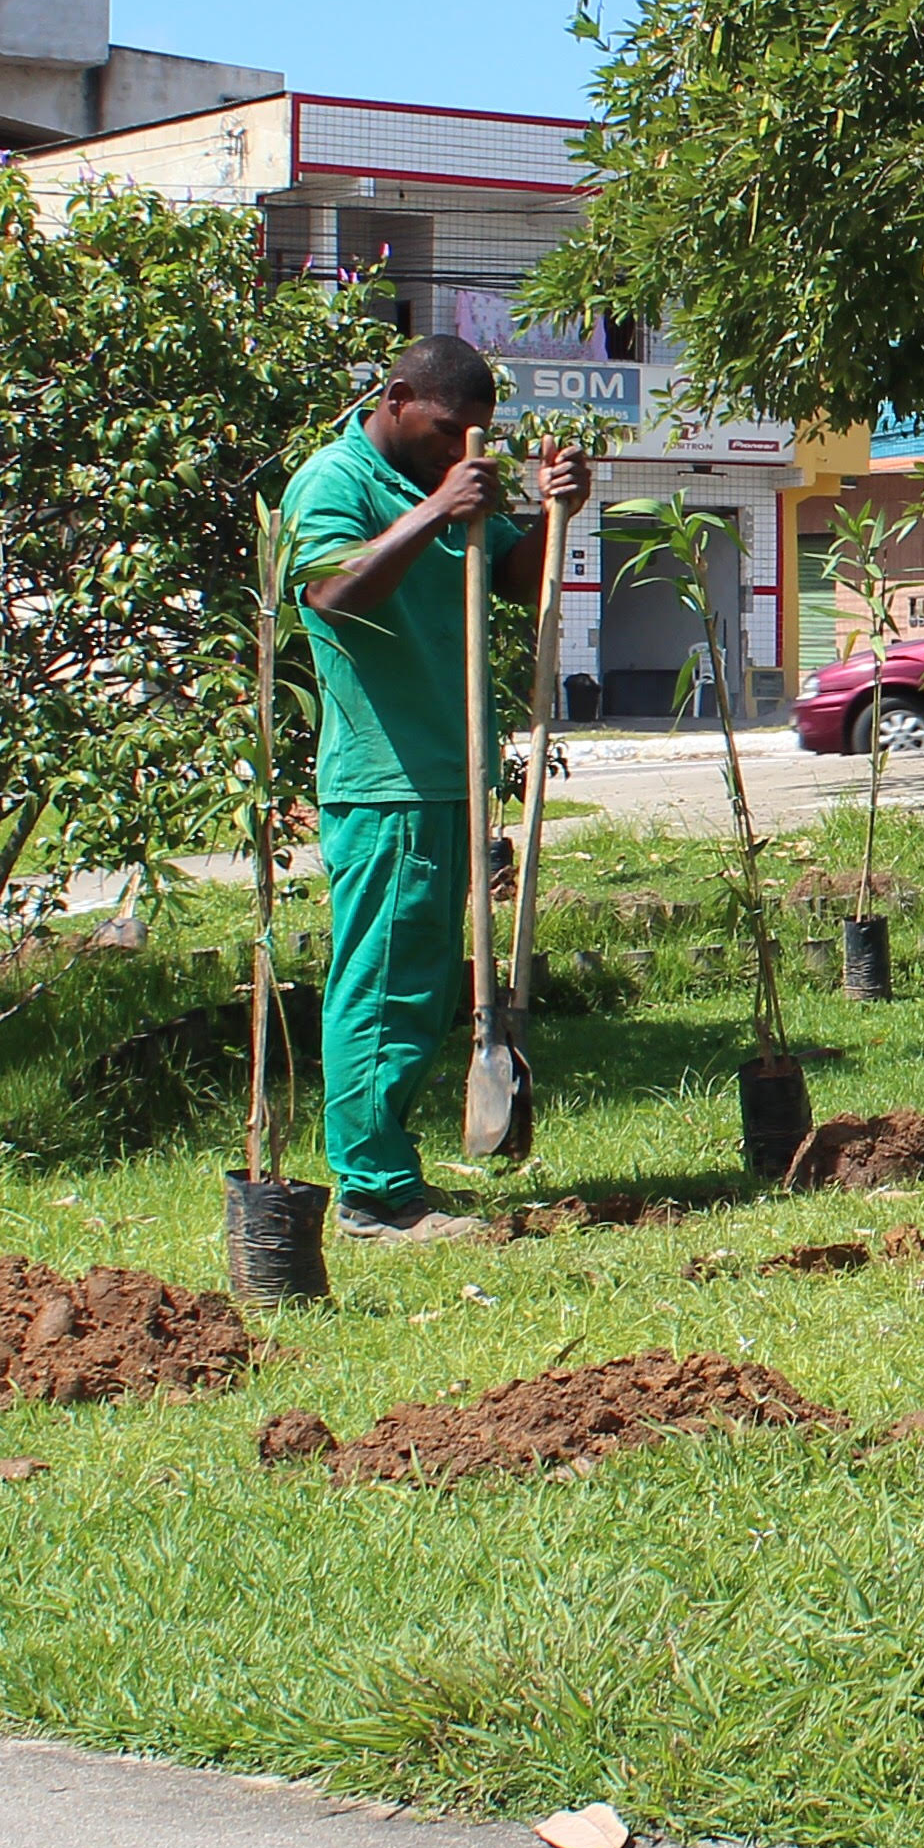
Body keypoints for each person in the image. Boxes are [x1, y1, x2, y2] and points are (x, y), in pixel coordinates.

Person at [285, 339, 591, 1240]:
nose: (462, 447)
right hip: (386, 779)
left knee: (417, 985)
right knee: (383, 986)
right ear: (397, 397)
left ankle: (386, 1176)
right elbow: (334, 592)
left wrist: (551, 513)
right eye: (449, 430)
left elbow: (510, 579)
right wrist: (435, 510)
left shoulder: (450, 480)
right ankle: (373, 1195)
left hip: (449, 774)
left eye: (478, 436)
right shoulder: (335, 479)